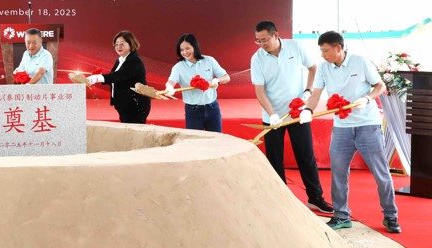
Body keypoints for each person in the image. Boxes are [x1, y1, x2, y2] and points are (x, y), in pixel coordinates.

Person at [301, 31, 401, 233]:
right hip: (342, 128)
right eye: (321, 51)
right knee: (338, 173)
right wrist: (307, 110)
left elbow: (379, 85)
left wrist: (368, 99)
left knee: (381, 174)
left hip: (368, 125)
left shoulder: (360, 61)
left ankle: (390, 216)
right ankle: (341, 216)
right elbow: (316, 93)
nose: (322, 55)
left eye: (325, 51)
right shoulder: (323, 68)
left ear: (338, 48)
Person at [250, 20, 333, 214]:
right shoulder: (257, 58)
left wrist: (308, 90)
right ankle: (280, 200)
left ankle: (315, 198)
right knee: (274, 159)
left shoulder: (295, 46)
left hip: (297, 113)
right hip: (272, 117)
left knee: (306, 156)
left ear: (276, 35)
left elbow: (313, 68)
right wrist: (272, 115)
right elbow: (259, 91)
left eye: (264, 39)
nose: (261, 44)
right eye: (258, 40)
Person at [163, 33, 230, 132]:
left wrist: (217, 80)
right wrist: (169, 88)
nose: (185, 52)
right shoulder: (178, 67)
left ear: (195, 47)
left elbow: (226, 77)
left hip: (212, 108)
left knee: (216, 139)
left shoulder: (209, 60)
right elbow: (170, 82)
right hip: (193, 111)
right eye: (182, 50)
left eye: (187, 48)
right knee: (194, 140)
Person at [86, 30, 151, 124]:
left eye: (122, 44)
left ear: (131, 44)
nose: (118, 47)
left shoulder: (134, 61)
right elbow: (114, 78)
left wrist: (97, 78)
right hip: (124, 105)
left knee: (132, 132)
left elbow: (118, 76)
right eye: (116, 44)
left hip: (135, 105)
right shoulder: (120, 60)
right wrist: (97, 78)